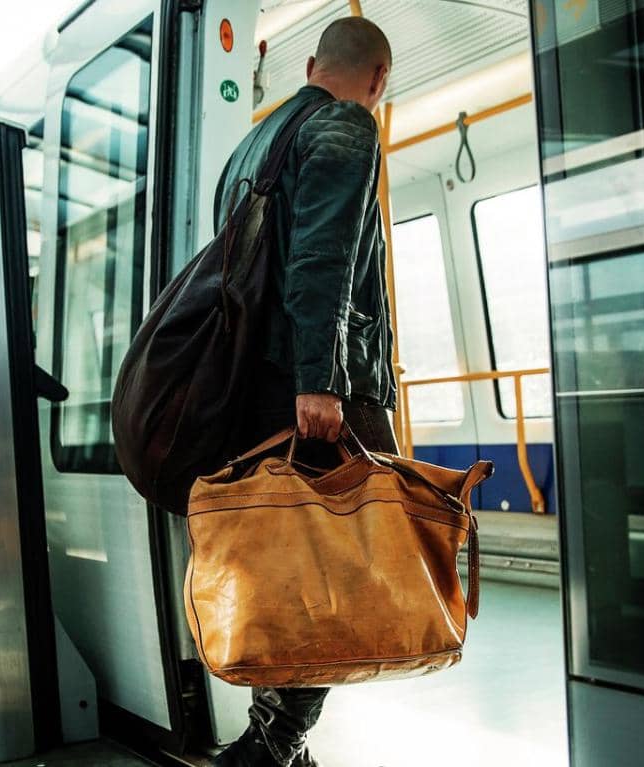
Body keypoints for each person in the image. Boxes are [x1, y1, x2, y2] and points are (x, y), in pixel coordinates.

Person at [209, 17, 394, 767]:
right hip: (315, 396)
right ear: (378, 80)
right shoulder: (347, 127)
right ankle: (270, 746)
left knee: (289, 569)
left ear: (313, 63)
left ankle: (277, 742)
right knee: (340, 571)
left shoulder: (254, 142)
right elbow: (322, 262)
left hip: (254, 391)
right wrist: (322, 384)